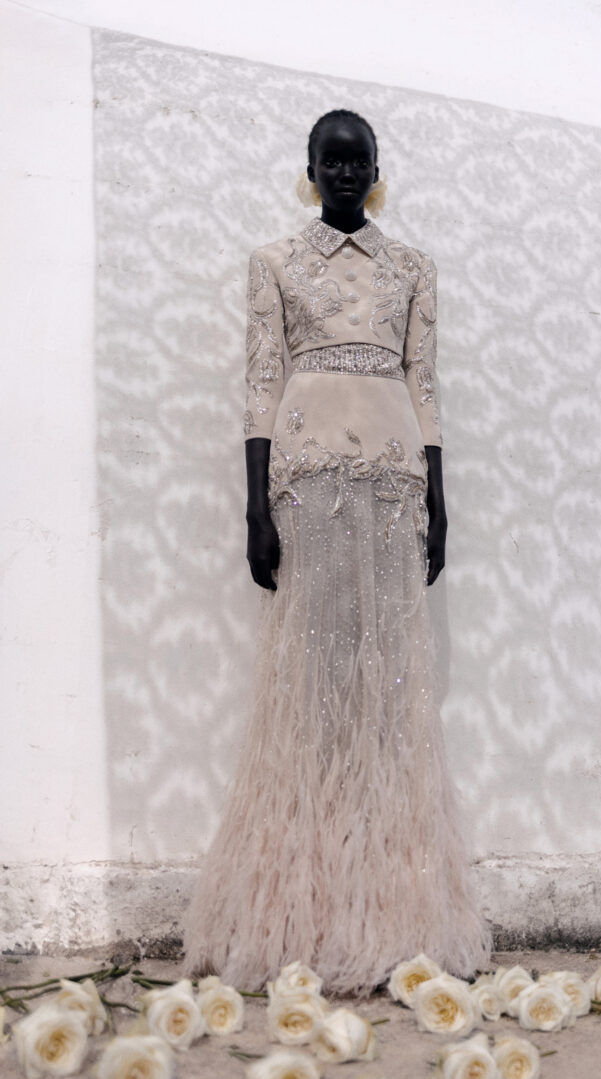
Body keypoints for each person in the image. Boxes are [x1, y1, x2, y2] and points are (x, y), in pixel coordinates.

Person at [181, 109, 492, 995]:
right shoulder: (274, 263)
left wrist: (438, 497)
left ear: (378, 170)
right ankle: (298, 905)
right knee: (311, 680)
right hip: (306, 481)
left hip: (393, 483)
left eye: (361, 160)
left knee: (387, 684)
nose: (348, 172)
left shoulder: (414, 269)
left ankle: (394, 906)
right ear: (311, 168)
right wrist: (255, 505)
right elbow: (260, 385)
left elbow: (424, 385)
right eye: (333, 159)